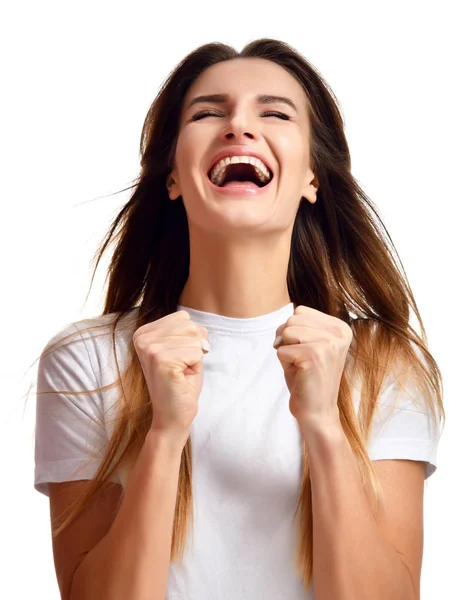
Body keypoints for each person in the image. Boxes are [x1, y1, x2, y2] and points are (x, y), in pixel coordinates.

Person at [34, 38, 445, 600]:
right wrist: (163, 434)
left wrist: (324, 426)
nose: (238, 127)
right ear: (173, 177)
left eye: (274, 113)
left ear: (312, 179)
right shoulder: (89, 359)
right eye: (208, 113)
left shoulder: (382, 363)